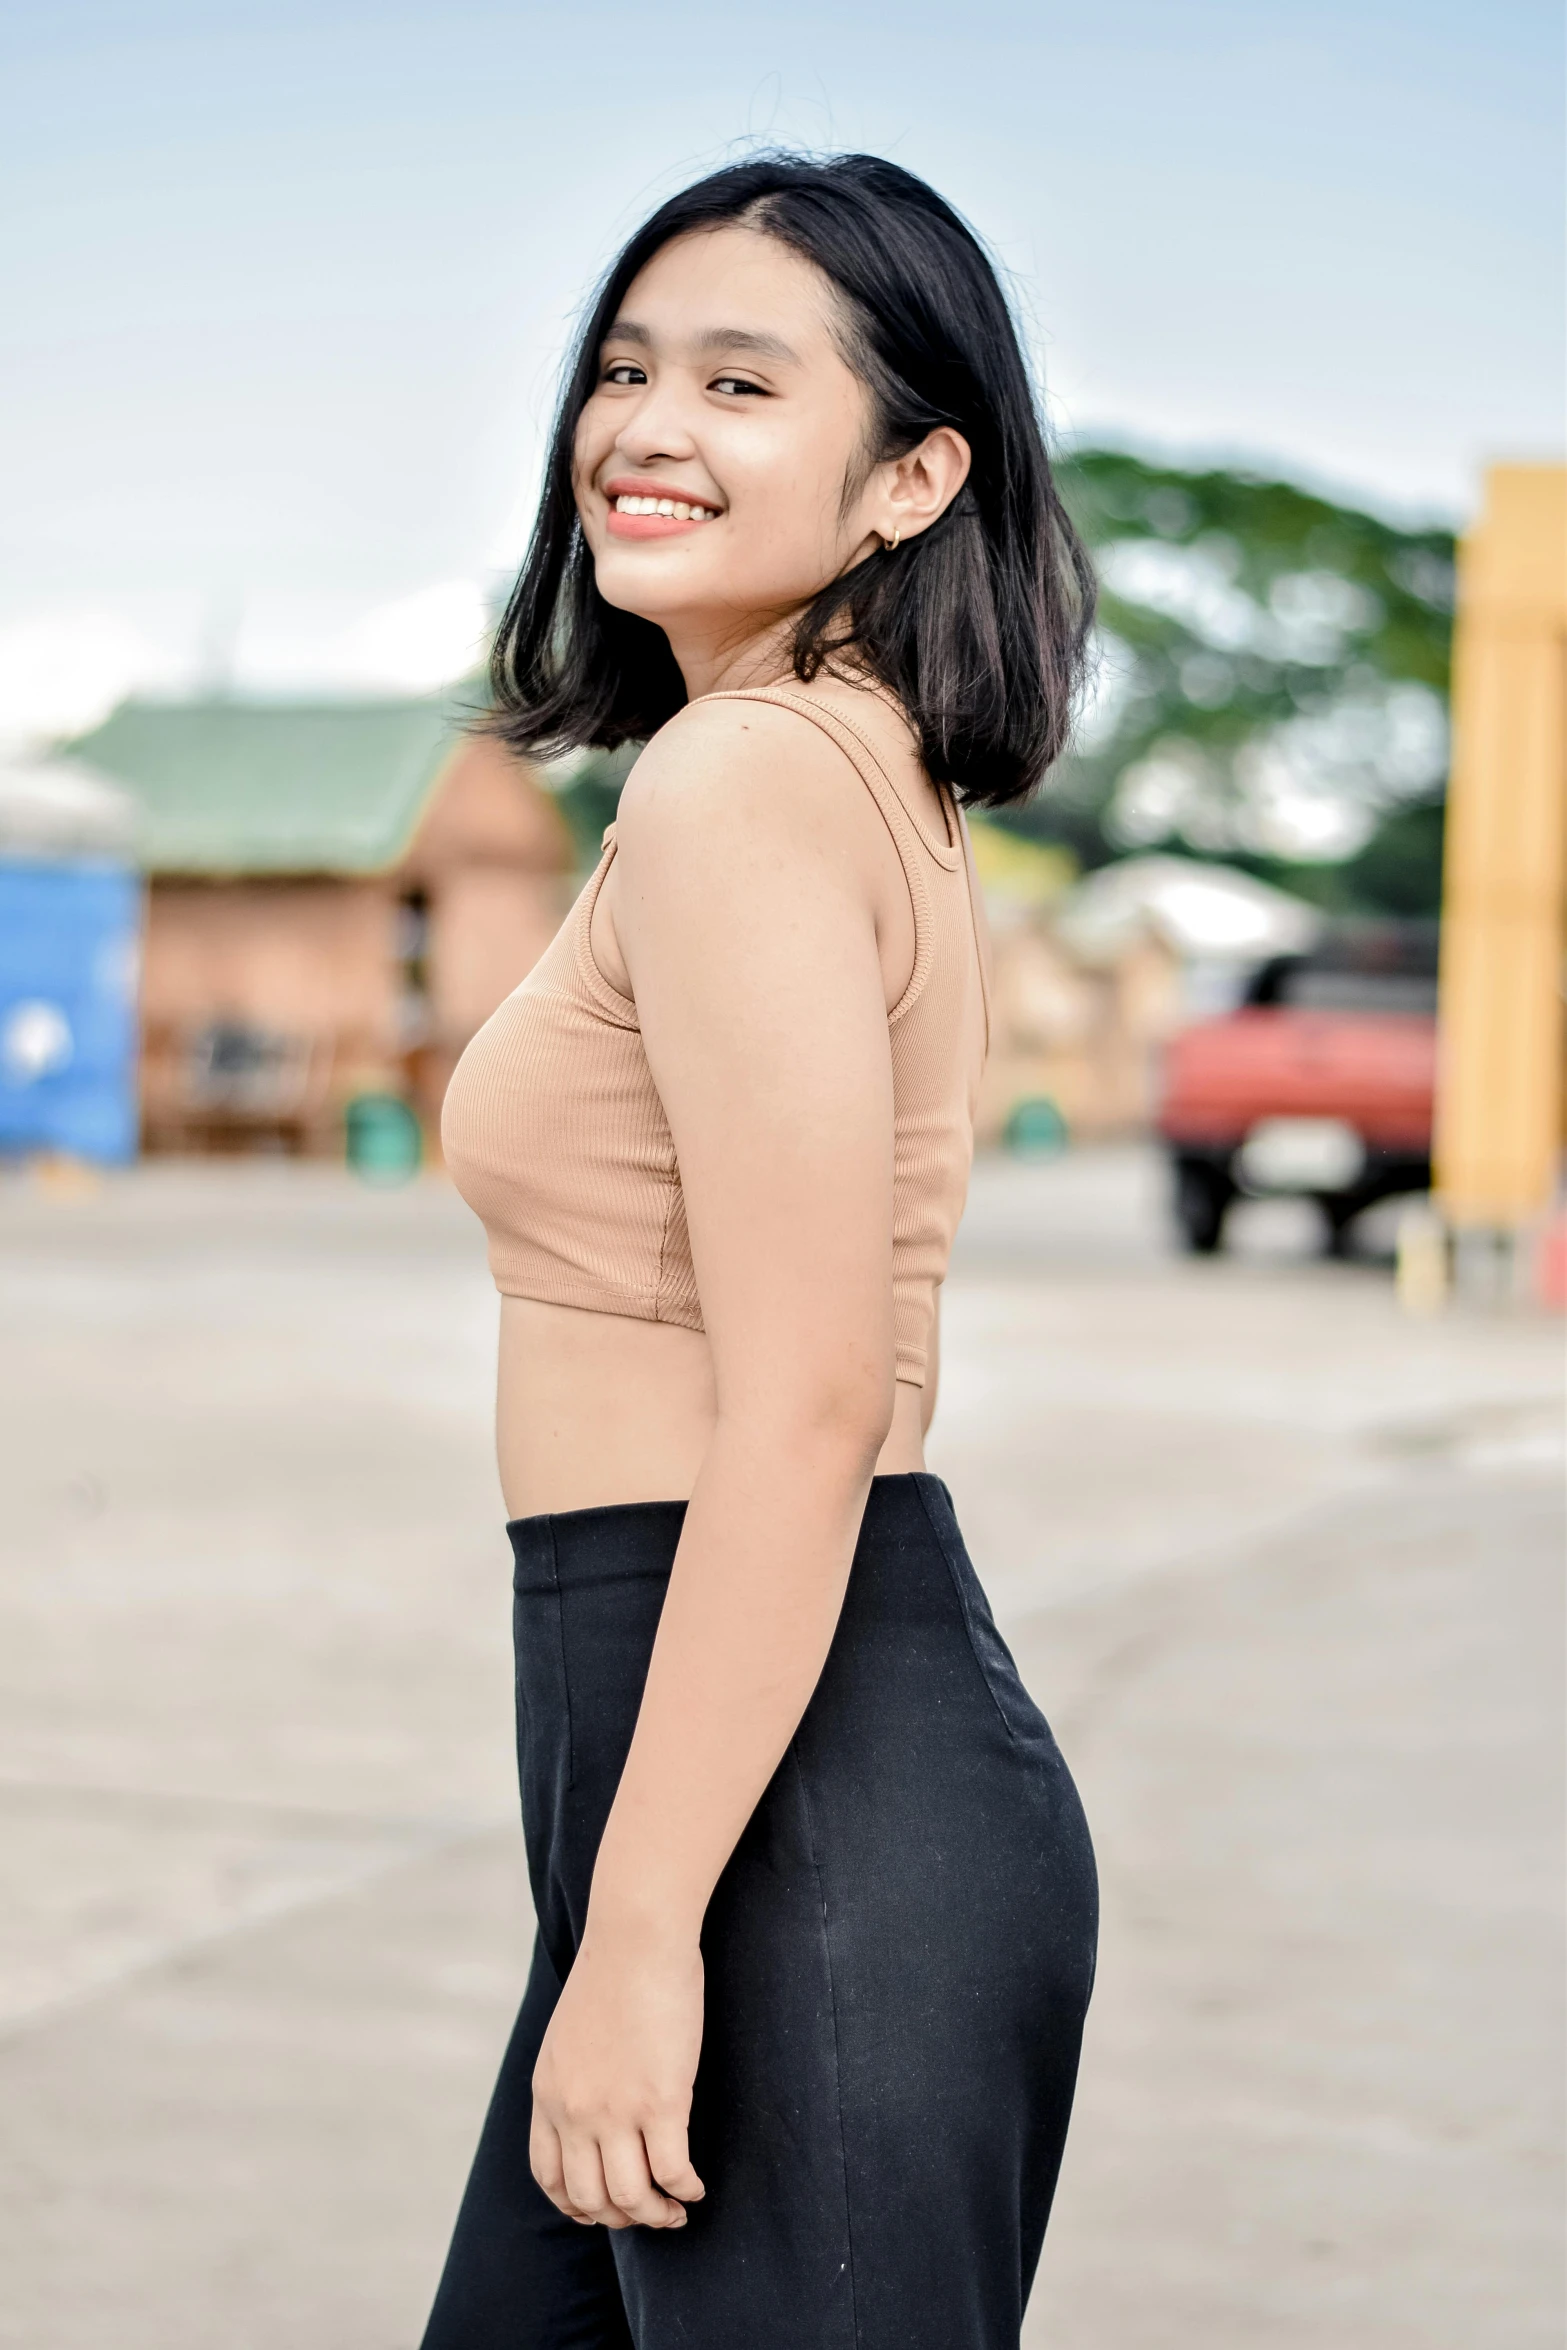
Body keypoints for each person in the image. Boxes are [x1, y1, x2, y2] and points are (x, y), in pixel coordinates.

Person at [424, 151, 1099, 2350]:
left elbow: (806, 1401)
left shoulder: (745, 787)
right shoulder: (832, 771)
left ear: (913, 478)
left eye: (739, 380)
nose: (645, 426)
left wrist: (642, 1929)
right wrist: (620, 1901)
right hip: (712, 1775)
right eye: (625, 367)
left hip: (790, 1805)